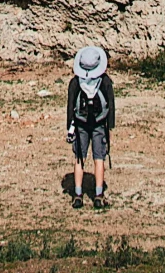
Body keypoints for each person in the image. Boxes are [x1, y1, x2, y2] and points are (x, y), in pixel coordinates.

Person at [65, 45, 115, 208]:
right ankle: (98, 195)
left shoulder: (75, 82)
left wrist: (69, 126)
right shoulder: (105, 81)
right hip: (99, 124)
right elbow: (111, 103)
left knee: (79, 158)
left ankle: (78, 195)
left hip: (80, 124)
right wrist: (111, 125)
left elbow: (70, 105)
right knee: (99, 158)